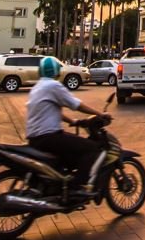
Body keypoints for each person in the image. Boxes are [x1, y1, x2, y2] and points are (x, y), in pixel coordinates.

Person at [26, 56, 111, 196]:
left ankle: (63, 182)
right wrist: (100, 114)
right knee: (92, 148)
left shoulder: (37, 87)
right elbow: (76, 105)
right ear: (56, 71)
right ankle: (76, 186)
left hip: (35, 138)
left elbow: (51, 111)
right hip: (49, 137)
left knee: (72, 145)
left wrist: (72, 121)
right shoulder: (53, 86)